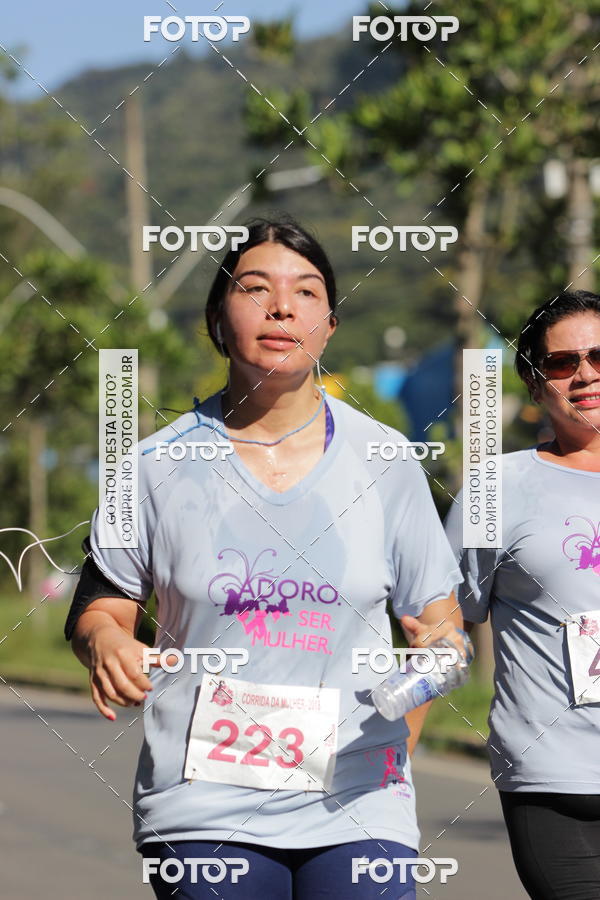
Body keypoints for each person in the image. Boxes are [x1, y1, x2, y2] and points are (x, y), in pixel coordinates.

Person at [68, 217, 465, 899]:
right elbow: (101, 605)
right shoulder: (156, 466)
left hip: (358, 803)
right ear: (219, 320)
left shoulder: (388, 461)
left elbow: (437, 626)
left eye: (306, 293)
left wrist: (410, 710)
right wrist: (106, 639)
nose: (283, 306)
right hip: (203, 804)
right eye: (256, 288)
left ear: (330, 326)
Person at [445, 290, 600, 900]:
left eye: (599, 356)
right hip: (553, 785)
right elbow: (443, 625)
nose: (585, 374)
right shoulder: (496, 488)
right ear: (536, 387)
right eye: (562, 363)